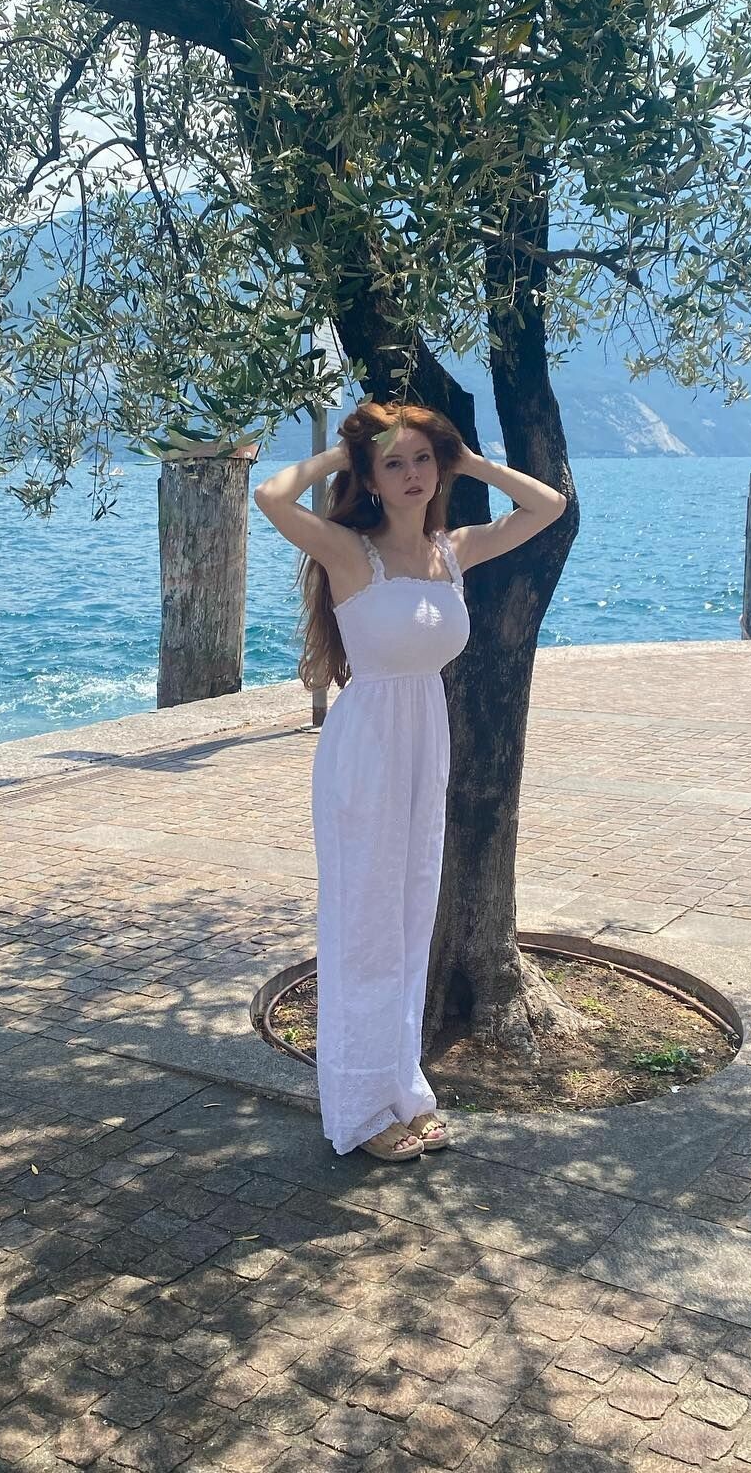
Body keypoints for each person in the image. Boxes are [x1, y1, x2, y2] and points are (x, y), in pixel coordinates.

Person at [254, 400, 568, 1164]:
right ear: (370, 477)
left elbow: (548, 506)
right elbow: (270, 495)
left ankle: (401, 1088)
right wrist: (346, 452)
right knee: (365, 929)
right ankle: (360, 1111)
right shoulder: (349, 552)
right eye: (393, 464)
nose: (412, 474)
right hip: (366, 752)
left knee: (408, 922)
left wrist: (469, 461)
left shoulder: (453, 550)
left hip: (426, 742)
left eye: (423, 459)